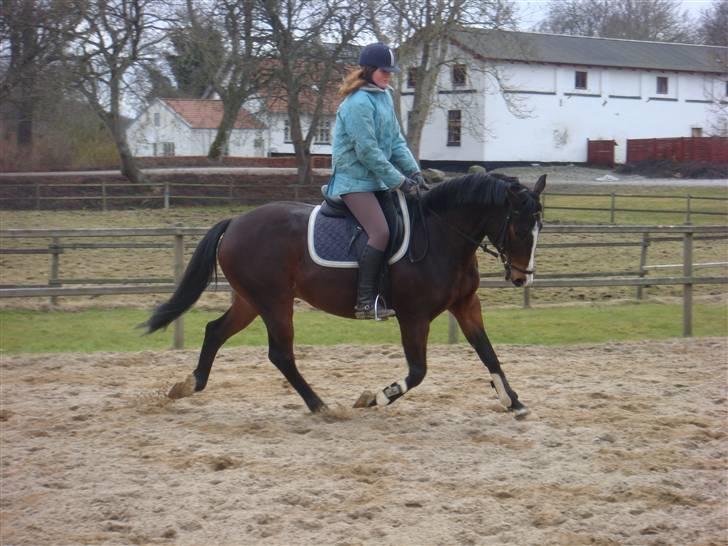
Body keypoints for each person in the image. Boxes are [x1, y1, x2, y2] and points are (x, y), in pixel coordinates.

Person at [327, 42, 427, 320]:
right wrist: (400, 181)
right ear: (370, 70)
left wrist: (415, 172)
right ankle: (364, 302)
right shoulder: (357, 103)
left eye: (391, 71)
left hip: (377, 181)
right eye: (384, 71)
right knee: (381, 232)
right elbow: (368, 151)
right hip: (353, 180)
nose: (388, 76)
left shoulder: (384, 96)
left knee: (399, 227)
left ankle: (389, 292)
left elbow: (395, 141)